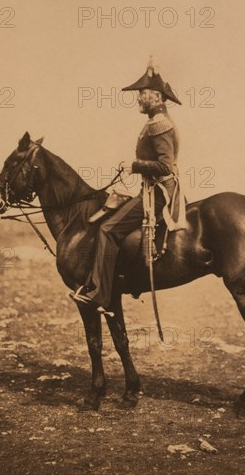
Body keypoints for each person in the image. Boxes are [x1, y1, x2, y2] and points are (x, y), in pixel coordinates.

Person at [70, 59, 185, 313]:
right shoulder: (156, 121)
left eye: (141, 94)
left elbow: (166, 166)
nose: (138, 99)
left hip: (159, 193)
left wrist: (136, 166)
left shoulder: (160, 125)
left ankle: (101, 294)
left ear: (155, 96)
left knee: (108, 229)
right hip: (150, 190)